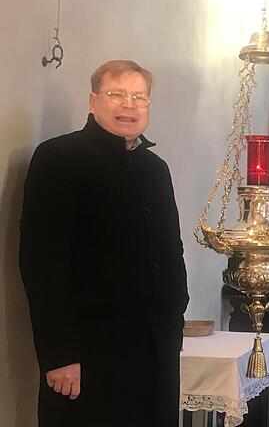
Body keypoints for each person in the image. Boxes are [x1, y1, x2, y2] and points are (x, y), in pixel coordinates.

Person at [19, 60, 189, 426]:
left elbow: (171, 252)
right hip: (87, 358)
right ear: (93, 102)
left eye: (139, 97)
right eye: (117, 94)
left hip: (154, 354)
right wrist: (60, 354)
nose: (129, 105)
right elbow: (43, 262)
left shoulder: (155, 170)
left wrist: (175, 320)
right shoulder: (59, 158)